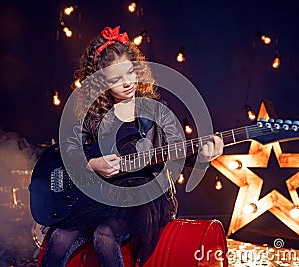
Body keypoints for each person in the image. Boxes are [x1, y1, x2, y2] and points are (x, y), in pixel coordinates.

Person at [40, 26, 224, 267]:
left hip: (147, 196)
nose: (127, 83)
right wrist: (93, 164)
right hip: (105, 194)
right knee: (59, 237)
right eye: (116, 79)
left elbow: (176, 151)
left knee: (104, 236)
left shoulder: (156, 111)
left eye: (130, 73)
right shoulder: (93, 116)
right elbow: (66, 151)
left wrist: (203, 155)